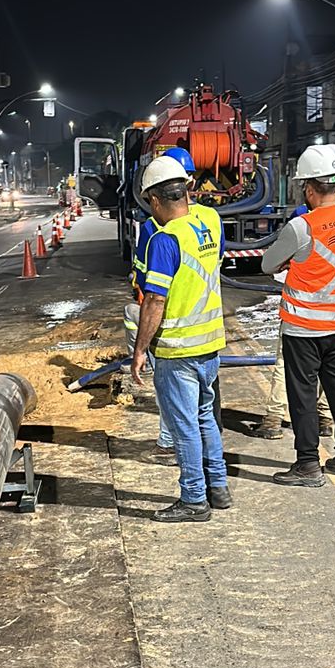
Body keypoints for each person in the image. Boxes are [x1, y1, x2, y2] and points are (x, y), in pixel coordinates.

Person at [261, 143, 335, 487]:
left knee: (303, 394)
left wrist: (291, 262)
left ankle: (308, 464)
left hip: (303, 326)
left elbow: (267, 264)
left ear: (309, 187)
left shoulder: (302, 227)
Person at [131, 156, 230, 520]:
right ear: (187, 190)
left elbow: (155, 300)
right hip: (210, 345)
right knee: (205, 417)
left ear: (156, 200)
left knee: (184, 425)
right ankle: (218, 488)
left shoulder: (165, 239)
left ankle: (193, 500)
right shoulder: (211, 220)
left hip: (178, 349)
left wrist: (140, 350)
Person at [125, 146, 198, 461]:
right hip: (203, 329)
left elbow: (151, 293)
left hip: (170, 327)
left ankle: (170, 445)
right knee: (200, 400)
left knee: (170, 391)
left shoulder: (157, 231)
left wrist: (140, 348)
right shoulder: (206, 222)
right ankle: (208, 464)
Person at [252, 202, 334, 441]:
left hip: (299, 313)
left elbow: (269, 264)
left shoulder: (301, 225)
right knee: (327, 365)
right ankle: (325, 418)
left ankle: (274, 419)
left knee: (284, 363)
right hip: (333, 312)